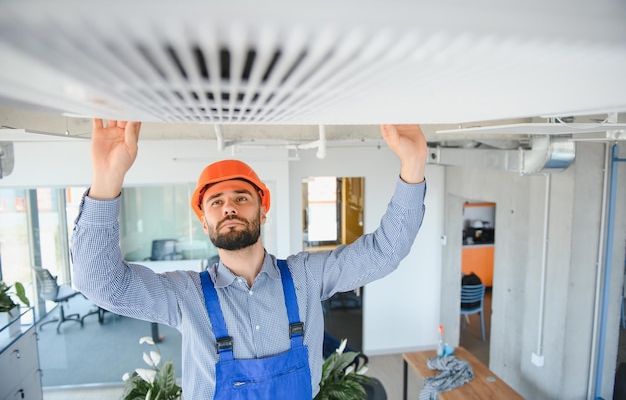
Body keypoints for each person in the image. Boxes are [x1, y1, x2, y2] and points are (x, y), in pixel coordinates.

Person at [71, 119, 428, 400]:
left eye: (241, 197)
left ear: (263, 211)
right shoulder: (185, 295)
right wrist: (107, 179)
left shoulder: (307, 277)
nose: (229, 206)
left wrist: (413, 164)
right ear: (204, 221)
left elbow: (384, 252)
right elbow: (102, 283)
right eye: (216, 201)